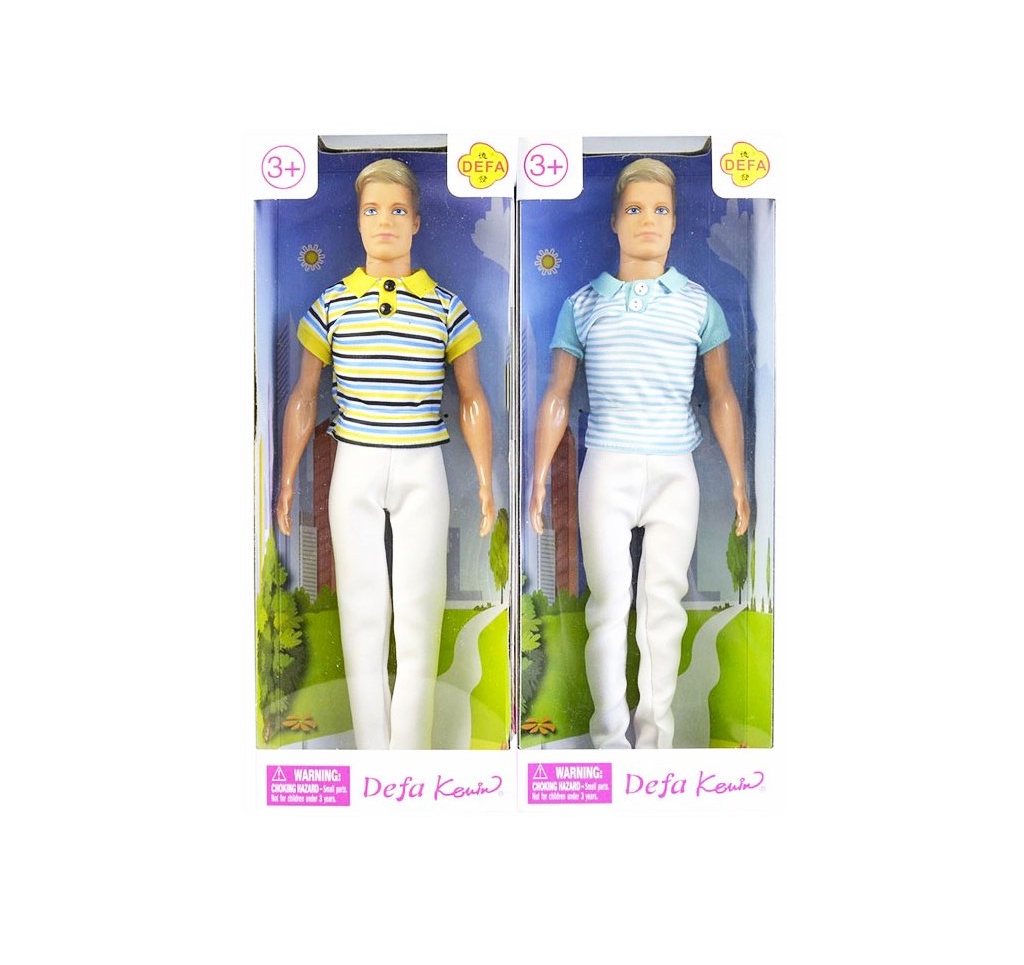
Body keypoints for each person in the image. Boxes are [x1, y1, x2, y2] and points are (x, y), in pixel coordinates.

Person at [529, 158, 749, 749]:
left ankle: (655, 744)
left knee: (663, 605)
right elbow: (557, 393)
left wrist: (737, 477)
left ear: (675, 221)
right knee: (607, 604)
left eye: (660, 209)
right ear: (614, 221)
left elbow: (723, 395)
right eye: (634, 208)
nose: (648, 220)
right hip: (607, 465)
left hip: (676, 469)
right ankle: (608, 742)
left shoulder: (699, 304)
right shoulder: (583, 305)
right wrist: (539, 475)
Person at [276, 158, 495, 750]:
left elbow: (472, 397)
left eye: (398, 210)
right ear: (358, 220)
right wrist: (287, 478)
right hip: (356, 464)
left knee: (420, 613)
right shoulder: (331, 305)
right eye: (372, 210)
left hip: (423, 465)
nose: (385, 222)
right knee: (362, 613)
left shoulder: (446, 308)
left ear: (417, 221)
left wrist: (484, 478)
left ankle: (412, 755)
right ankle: (374, 755)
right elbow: (304, 396)